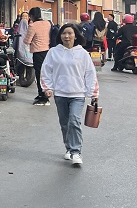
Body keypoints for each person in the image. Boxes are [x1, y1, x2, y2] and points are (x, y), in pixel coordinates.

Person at [41, 24, 99, 167]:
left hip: (78, 94)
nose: (66, 36)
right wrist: (47, 88)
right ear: (60, 36)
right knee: (64, 123)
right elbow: (46, 70)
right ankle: (68, 148)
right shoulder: (53, 52)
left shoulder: (82, 53)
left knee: (74, 120)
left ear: (76, 36)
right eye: (64, 33)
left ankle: (76, 152)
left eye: (70, 33)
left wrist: (93, 93)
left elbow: (90, 73)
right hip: (60, 94)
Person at [23, 7, 52, 106]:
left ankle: (43, 97)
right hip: (48, 52)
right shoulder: (48, 23)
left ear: (31, 16)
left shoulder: (33, 26)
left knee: (39, 75)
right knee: (46, 74)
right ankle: (43, 94)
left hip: (38, 53)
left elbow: (27, 41)